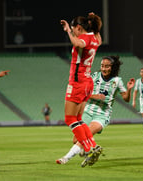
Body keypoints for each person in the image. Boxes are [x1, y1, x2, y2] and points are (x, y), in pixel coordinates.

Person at [56, 55, 135, 165]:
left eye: (107, 66)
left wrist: (129, 89)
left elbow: (126, 99)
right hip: (88, 111)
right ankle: (91, 150)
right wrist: (95, 96)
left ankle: (66, 158)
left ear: (112, 68)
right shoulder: (95, 76)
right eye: (102, 66)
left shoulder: (117, 81)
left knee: (83, 137)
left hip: (102, 114)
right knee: (76, 139)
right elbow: (84, 92)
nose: (103, 69)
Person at [60, 12, 102, 167]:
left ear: (78, 28)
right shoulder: (95, 38)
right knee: (78, 119)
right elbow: (98, 38)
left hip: (77, 82)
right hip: (87, 81)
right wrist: (96, 23)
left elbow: (78, 44)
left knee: (70, 119)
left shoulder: (84, 38)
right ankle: (93, 145)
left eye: (74, 29)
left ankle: (88, 148)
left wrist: (68, 32)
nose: (73, 32)